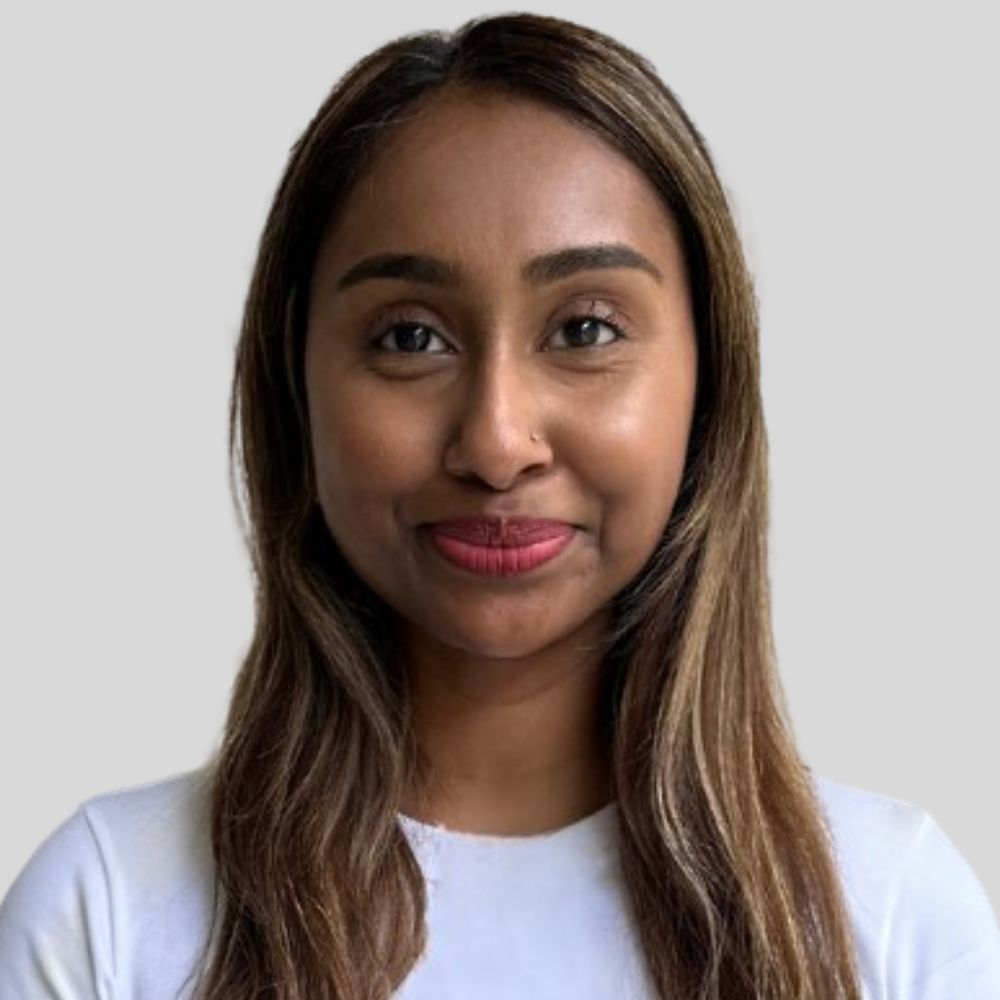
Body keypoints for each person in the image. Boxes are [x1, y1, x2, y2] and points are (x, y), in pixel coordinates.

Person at [1, 12, 998, 1000]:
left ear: (708, 381)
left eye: (586, 329)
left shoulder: (896, 919)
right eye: (410, 338)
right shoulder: (105, 914)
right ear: (295, 383)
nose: (495, 441)